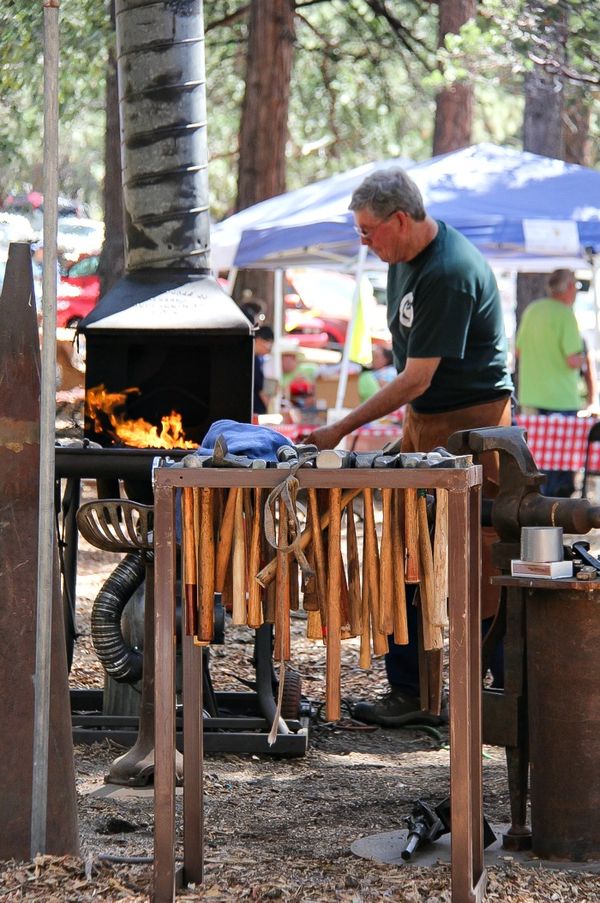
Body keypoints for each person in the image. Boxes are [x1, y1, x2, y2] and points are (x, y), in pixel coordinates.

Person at [304, 167, 513, 726]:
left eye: (368, 231)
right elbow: (417, 386)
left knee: (475, 563)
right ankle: (412, 692)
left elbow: (419, 377)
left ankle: (499, 690)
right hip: (428, 424)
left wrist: (338, 430)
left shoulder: (448, 271)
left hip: (473, 427)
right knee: (408, 554)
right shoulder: (401, 262)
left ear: (401, 219)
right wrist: (410, 438)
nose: (364, 243)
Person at [516, 268, 594, 497]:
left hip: (531, 395)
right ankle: (554, 513)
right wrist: (584, 357)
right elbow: (572, 360)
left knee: (535, 457)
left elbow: (519, 351)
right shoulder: (565, 315)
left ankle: (533, 505)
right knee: (561, 463)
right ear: (569, 287)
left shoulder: (532, 310)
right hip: (561, 398)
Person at [253, 325, 274, 415]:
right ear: (259, 340)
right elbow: (262, 390)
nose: (269, 348)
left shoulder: (257, 359)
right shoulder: (254, 360)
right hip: (255, 412)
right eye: (269, 344)